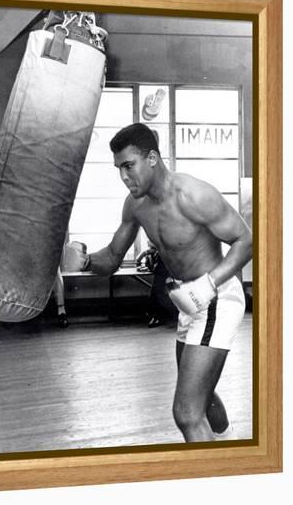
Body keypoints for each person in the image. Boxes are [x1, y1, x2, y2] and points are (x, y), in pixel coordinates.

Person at [71, 122, 252, 442]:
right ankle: (227, 446)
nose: (124, 177)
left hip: (217, 298)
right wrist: (83, 260)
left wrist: (209, 284)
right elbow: (113, 257)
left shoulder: (194, 195)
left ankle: (217, 482)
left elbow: (246, 241)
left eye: (129, 166)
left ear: (152, 158)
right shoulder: (136, 205)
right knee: (202, 393)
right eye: (119, 169)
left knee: (186, 413)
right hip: (188, 301)